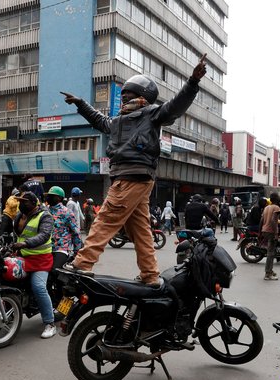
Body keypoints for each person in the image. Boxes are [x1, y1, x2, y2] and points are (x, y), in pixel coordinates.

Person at [60, 54, 207, 286]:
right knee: (140, 231)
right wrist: (80, 104)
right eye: (123, 93)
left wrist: (192, 82)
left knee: (105, 219)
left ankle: (83, 263)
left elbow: (175, 106)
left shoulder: (152, 114)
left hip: (133, 176)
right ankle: (150, 275)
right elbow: (98, 120)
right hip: (126, 176)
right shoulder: (118, 120)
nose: (123, 96)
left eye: (128, 93)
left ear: (143, 97)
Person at [12, 191, 57, 339]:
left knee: (38, 287)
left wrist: (25, 243)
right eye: (19, 201)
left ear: (33, 203)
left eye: (24, 202)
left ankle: (50, 323)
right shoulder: (19, 216)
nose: (21, 204)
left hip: (40, 259)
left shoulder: (45, 216)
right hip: (22, 256)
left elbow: (44, 235)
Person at [45, 186, 83, 270]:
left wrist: (76, 252)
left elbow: (75, 232)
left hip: (61, 248)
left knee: (55, 271)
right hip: (45, 249)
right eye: (48, 196)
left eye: (51, 196)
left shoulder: (66, 212)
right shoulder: (44, 211)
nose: (48, 198)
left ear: (59, 198)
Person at [259, 193, 280, 281]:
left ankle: (270, 270)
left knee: (270, 252)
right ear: (277, 199)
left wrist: (259, 233)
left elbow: (261, 221)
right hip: (271, 231)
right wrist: (276, 233)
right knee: (270, 253)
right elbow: (273, 220)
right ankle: (268, 273)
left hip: (264, 230)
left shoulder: (266, 207)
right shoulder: (276, 208)